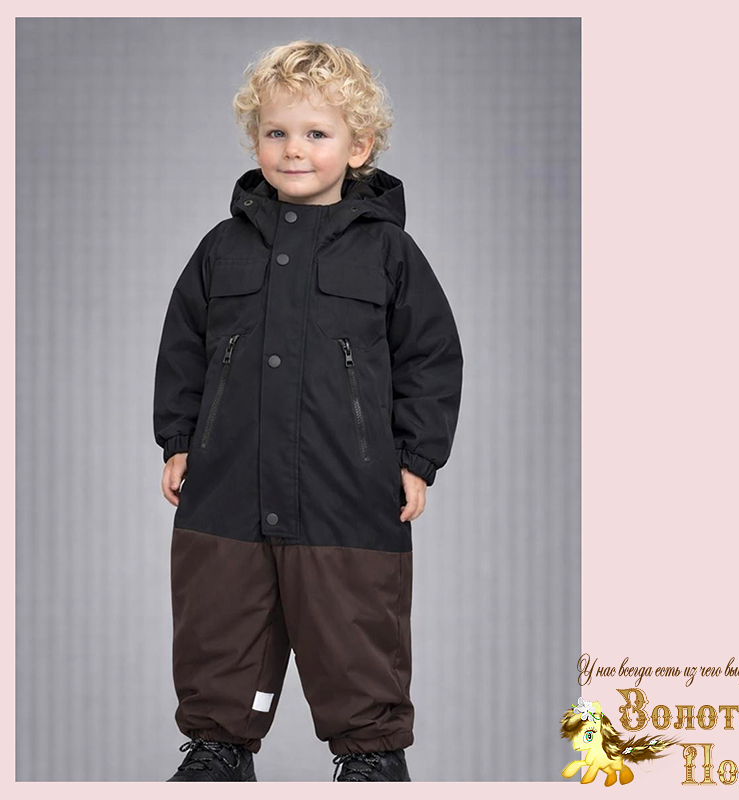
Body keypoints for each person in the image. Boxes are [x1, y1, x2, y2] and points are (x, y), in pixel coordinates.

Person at [153, 40, 463, 782]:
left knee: (353, 621)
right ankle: (220, 748)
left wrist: (417, 458)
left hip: (347, 484)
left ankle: (371, 755)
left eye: (316, 133)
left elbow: (430, 357)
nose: (294, 149)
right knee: (221, 616)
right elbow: (183, 348)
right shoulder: (221, 249)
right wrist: (180, 439)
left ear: (359, 147)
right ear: (256, 139)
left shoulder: (389, 254)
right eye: (277, 132)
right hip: (229, 484)